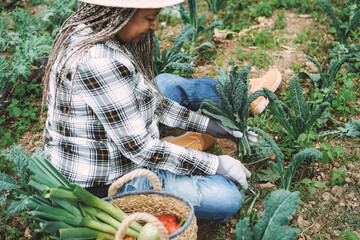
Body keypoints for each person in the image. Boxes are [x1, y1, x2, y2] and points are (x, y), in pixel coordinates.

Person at [42, 0, 281, 222]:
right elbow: (141, 149)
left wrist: (209, 126)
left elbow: (154, 101)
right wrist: (216, 165)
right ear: (121, 14)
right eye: (149, 18)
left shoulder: (92, 27)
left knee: (164, 83)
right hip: (109, 181)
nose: (155, 26)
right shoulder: (99, 62)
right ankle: (182, 148)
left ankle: (241, 96)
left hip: (116, 141)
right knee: (226, 198)